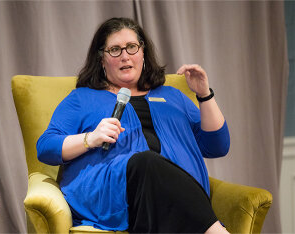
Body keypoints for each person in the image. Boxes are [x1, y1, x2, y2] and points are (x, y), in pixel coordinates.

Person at [37, 17, 230, 233]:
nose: (125, 56)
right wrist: (89, 138)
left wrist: (204, 94)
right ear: (101, 59)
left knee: (156, 176)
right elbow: (45, 147)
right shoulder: (82, 98)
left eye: (131, 47)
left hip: (176, 198)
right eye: (115, 50)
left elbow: (217, 146)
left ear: (143, 53)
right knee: (146, 162)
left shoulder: (172, 96)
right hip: (115, 193)